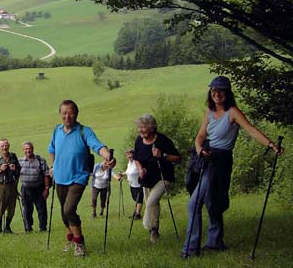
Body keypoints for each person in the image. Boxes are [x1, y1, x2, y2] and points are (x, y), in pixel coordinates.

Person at [181, 76, 284, 257]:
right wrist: (199, 150)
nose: (217, 94)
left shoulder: (233, 112)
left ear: (227, 93)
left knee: (197, 203)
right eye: (214, 90)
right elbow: (200, 136)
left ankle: (190, 250)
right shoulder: (210, 111)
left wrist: (271, 144)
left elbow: (251, 130)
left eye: (221, 91)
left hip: (220, 161)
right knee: (208, 200)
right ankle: (214, 242)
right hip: (206, 157)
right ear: (210, 92)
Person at [48, 100, 115, 257]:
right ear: (60, 114)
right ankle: (70, 239)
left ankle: (79, 243)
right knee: (64, 213)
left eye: (70, 112)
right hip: (59, 178)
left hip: (78, 177)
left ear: (76, 114)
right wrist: (53, 167)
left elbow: (98, 146)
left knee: (69, 209)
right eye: (64, 113)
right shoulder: (56, 131)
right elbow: (51, 149)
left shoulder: (85, 131)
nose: (67, 116)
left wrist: (107, 156)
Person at [133, 114, 181, 243]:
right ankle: (153, 231)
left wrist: (163, 155)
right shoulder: (138, 140)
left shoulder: (162, 140)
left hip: (163, 177)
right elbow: (136, 159)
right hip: (147, 179)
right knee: (152, 204)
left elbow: (177, 158)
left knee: (150, 202)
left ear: (152, 127)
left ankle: (152, 229)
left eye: (143, 127)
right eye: (139, 127)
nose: (140, 130)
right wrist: (139, 169)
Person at [0, 138, 21, 234]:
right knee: (0, 207)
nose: (4, 147)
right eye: (2, 146)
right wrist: (0, 170)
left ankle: (7, 227)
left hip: (11, 185)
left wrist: (14, 169)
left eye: (6, 145)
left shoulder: (13, 157)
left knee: (11, 208)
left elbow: (19, 172)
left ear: (9, 146)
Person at [18, 141, 51, 232]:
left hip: (39, 188)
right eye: (26, 149)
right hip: (25, 189)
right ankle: (28, 228)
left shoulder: (40, 160)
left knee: (42, 209)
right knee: (27, 209)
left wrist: (47, 188)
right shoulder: (19, 161)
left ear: (33, 149)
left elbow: (46, 174)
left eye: (29, 148)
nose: (28, 151)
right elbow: (16, 175)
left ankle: (43, 227)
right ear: (23, 150)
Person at [118, 149, 143, 220]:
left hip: (138, 184)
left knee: (139, 199)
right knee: (135, 198)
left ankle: (138, 214)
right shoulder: (130, 162)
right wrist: (122, 174)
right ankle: (136, 212)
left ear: (133, 154)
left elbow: (140, 170)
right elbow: (128, 171)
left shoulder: (136, 162)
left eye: (129, 154)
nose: (128, 156)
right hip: (132, 184)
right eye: (127, 155)